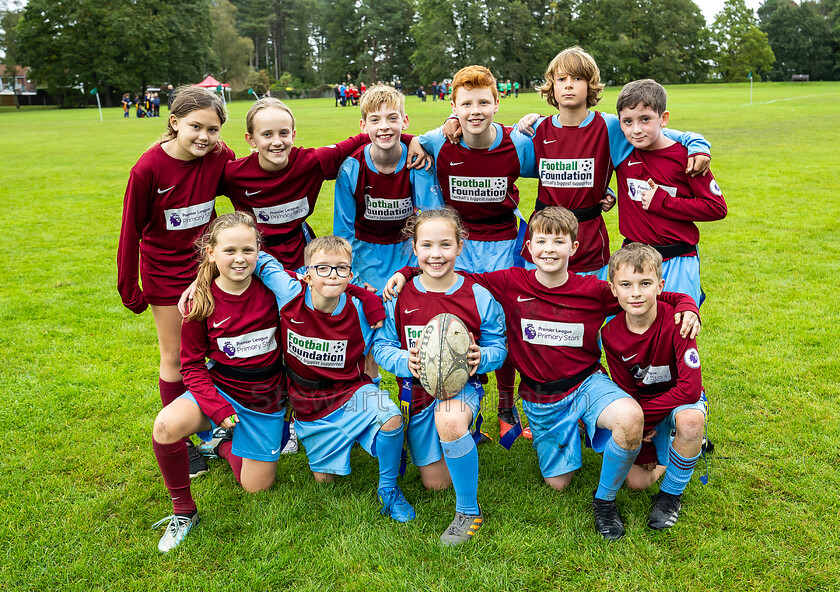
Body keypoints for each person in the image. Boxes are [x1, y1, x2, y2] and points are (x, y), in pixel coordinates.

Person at [385, 207, 700, 540]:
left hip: (586, 383)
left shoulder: (592, 291)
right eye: (541, 241)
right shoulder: (509, 283)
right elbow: (450, 276)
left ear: (574, 248)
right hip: (542, 398)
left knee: (630, 417)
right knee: (558, 484)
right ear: (529, 248)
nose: (549, 249)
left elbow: (641, 291)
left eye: (559, 241)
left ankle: (604, 502)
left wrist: (685, 303)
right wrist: (407, 271)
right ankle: (581, 433)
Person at [150, 213, 290, 552]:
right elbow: (192, 366)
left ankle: (223, 442)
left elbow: (319, 287)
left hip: (265, 399)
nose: (239, 259)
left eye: (248, 249)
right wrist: (217, 407)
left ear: (260, 251)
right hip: (221, 390)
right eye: (229, 251)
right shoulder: (202, 300)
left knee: (257, 487)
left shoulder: (273, 291)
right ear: (210, 253)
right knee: (166, 426)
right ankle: (184, 512)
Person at [410, 64, 536, 443]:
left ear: (498, 103)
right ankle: (471, 406)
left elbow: (556, 154)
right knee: (460, 325)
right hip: (457, 247)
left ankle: (505, 406)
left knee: (505, 327)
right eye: (466, 104)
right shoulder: (439, 142)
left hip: (503, 247)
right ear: (453, 107)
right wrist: (417, 138)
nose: (475, 110)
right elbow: (405, 140)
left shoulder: (518, 143)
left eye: (484, 101)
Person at [254, 236, 415, 525]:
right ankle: (339, 439)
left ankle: (389, 488)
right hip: (308, 402)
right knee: (325, 480)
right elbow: (262, 261)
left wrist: (377, 393)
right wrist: (202, 279)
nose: (332, 275)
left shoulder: (363, 308)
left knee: (390, 419)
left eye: (341, 269)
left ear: (351, 275)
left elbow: (375, 354)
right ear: (306, 274)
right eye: (323, 268)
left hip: (350, 391)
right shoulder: (289, 291)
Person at [515, 47, 712, 280]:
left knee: (588, 305)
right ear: (552, 86)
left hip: (588, 237)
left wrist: (697, 143)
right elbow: (492, 140)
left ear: (590, 85)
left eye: (577, 78)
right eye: (561, 79)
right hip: (543, 234)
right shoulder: (536, 128)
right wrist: (457, 120)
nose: (569, 85)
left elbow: (656, 132)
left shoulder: (609, 127)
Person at [118, 86, 234, 479]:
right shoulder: (148, 168)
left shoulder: (219, 157)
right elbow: (130, 230)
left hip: (207, 268)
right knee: (176, 355)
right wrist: (128, 285)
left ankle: (218, 421)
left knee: (215, 346)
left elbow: (243, 188)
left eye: (213, 129)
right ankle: (180, 440)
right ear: (174, 122)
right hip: (165, 273)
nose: (205, 136)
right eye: (196, 127)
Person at [372, 208, 507, 546]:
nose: (436, 254)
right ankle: (463, 441)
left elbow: (499, 345)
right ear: (414, 249)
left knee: (449, 420)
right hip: (417, 394)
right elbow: (382, 346)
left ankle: (468, 511)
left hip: (461, 390)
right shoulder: (399, 295)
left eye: (446, 245)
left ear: (460, 246)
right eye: (427, 245)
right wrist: (407, 361)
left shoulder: (476, 294)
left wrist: (483, 357)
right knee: (435, 483)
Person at [221, 97, 423, 273]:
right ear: (251, 139)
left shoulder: (312, 162)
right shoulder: (233, 174)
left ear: (293, 134)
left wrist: (411, 139)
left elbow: (367, 137)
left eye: (283, 133)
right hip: (257, 257)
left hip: (302, 254)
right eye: (267, 135)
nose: (277, 142)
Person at [602, 243, 707, 530]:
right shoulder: (610, 335)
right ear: (613, 289)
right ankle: (680, 447)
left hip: (678, 402)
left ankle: (671, 496)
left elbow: (689, 390)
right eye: (626, 284)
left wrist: (644, 417)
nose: (635, 292)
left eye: (645, 283)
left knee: (691, 420)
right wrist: (642, 443)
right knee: (636, 483)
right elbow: (627, 392)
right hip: (644, 405)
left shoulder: (678, 322)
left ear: (660, 286)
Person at [613, 79, 727, 306]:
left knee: (679, 327)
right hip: (634, 257)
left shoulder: (688, 157)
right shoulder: (623, 152)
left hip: (679, 259)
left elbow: (716, 207)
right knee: (636, 328)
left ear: (663, 119)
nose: (636, 130)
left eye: (645, 120)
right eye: (628, 122)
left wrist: (665, 203)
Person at [333, 84, 442, 295]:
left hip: (407, 254)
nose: (384, 126)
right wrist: (352, 275)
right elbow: (343, 233)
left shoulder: (417, 163)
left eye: (392, 118)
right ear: (364, 126)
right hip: (363, 256)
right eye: (375, 120)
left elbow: (433, 221)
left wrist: (415, 268)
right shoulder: (350, 169)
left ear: (405, 121)